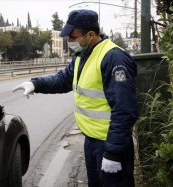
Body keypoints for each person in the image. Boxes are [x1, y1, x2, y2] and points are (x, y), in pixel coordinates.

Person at [12, 9, 138, 187]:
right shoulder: (82, 55)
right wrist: (36, 84)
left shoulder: (114, 58)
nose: (69, 41)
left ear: (91, 35)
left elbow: (125, 109)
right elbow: (63, 79)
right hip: (92, 141)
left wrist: (114, 152)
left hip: (110, 143)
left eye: (73, 37)